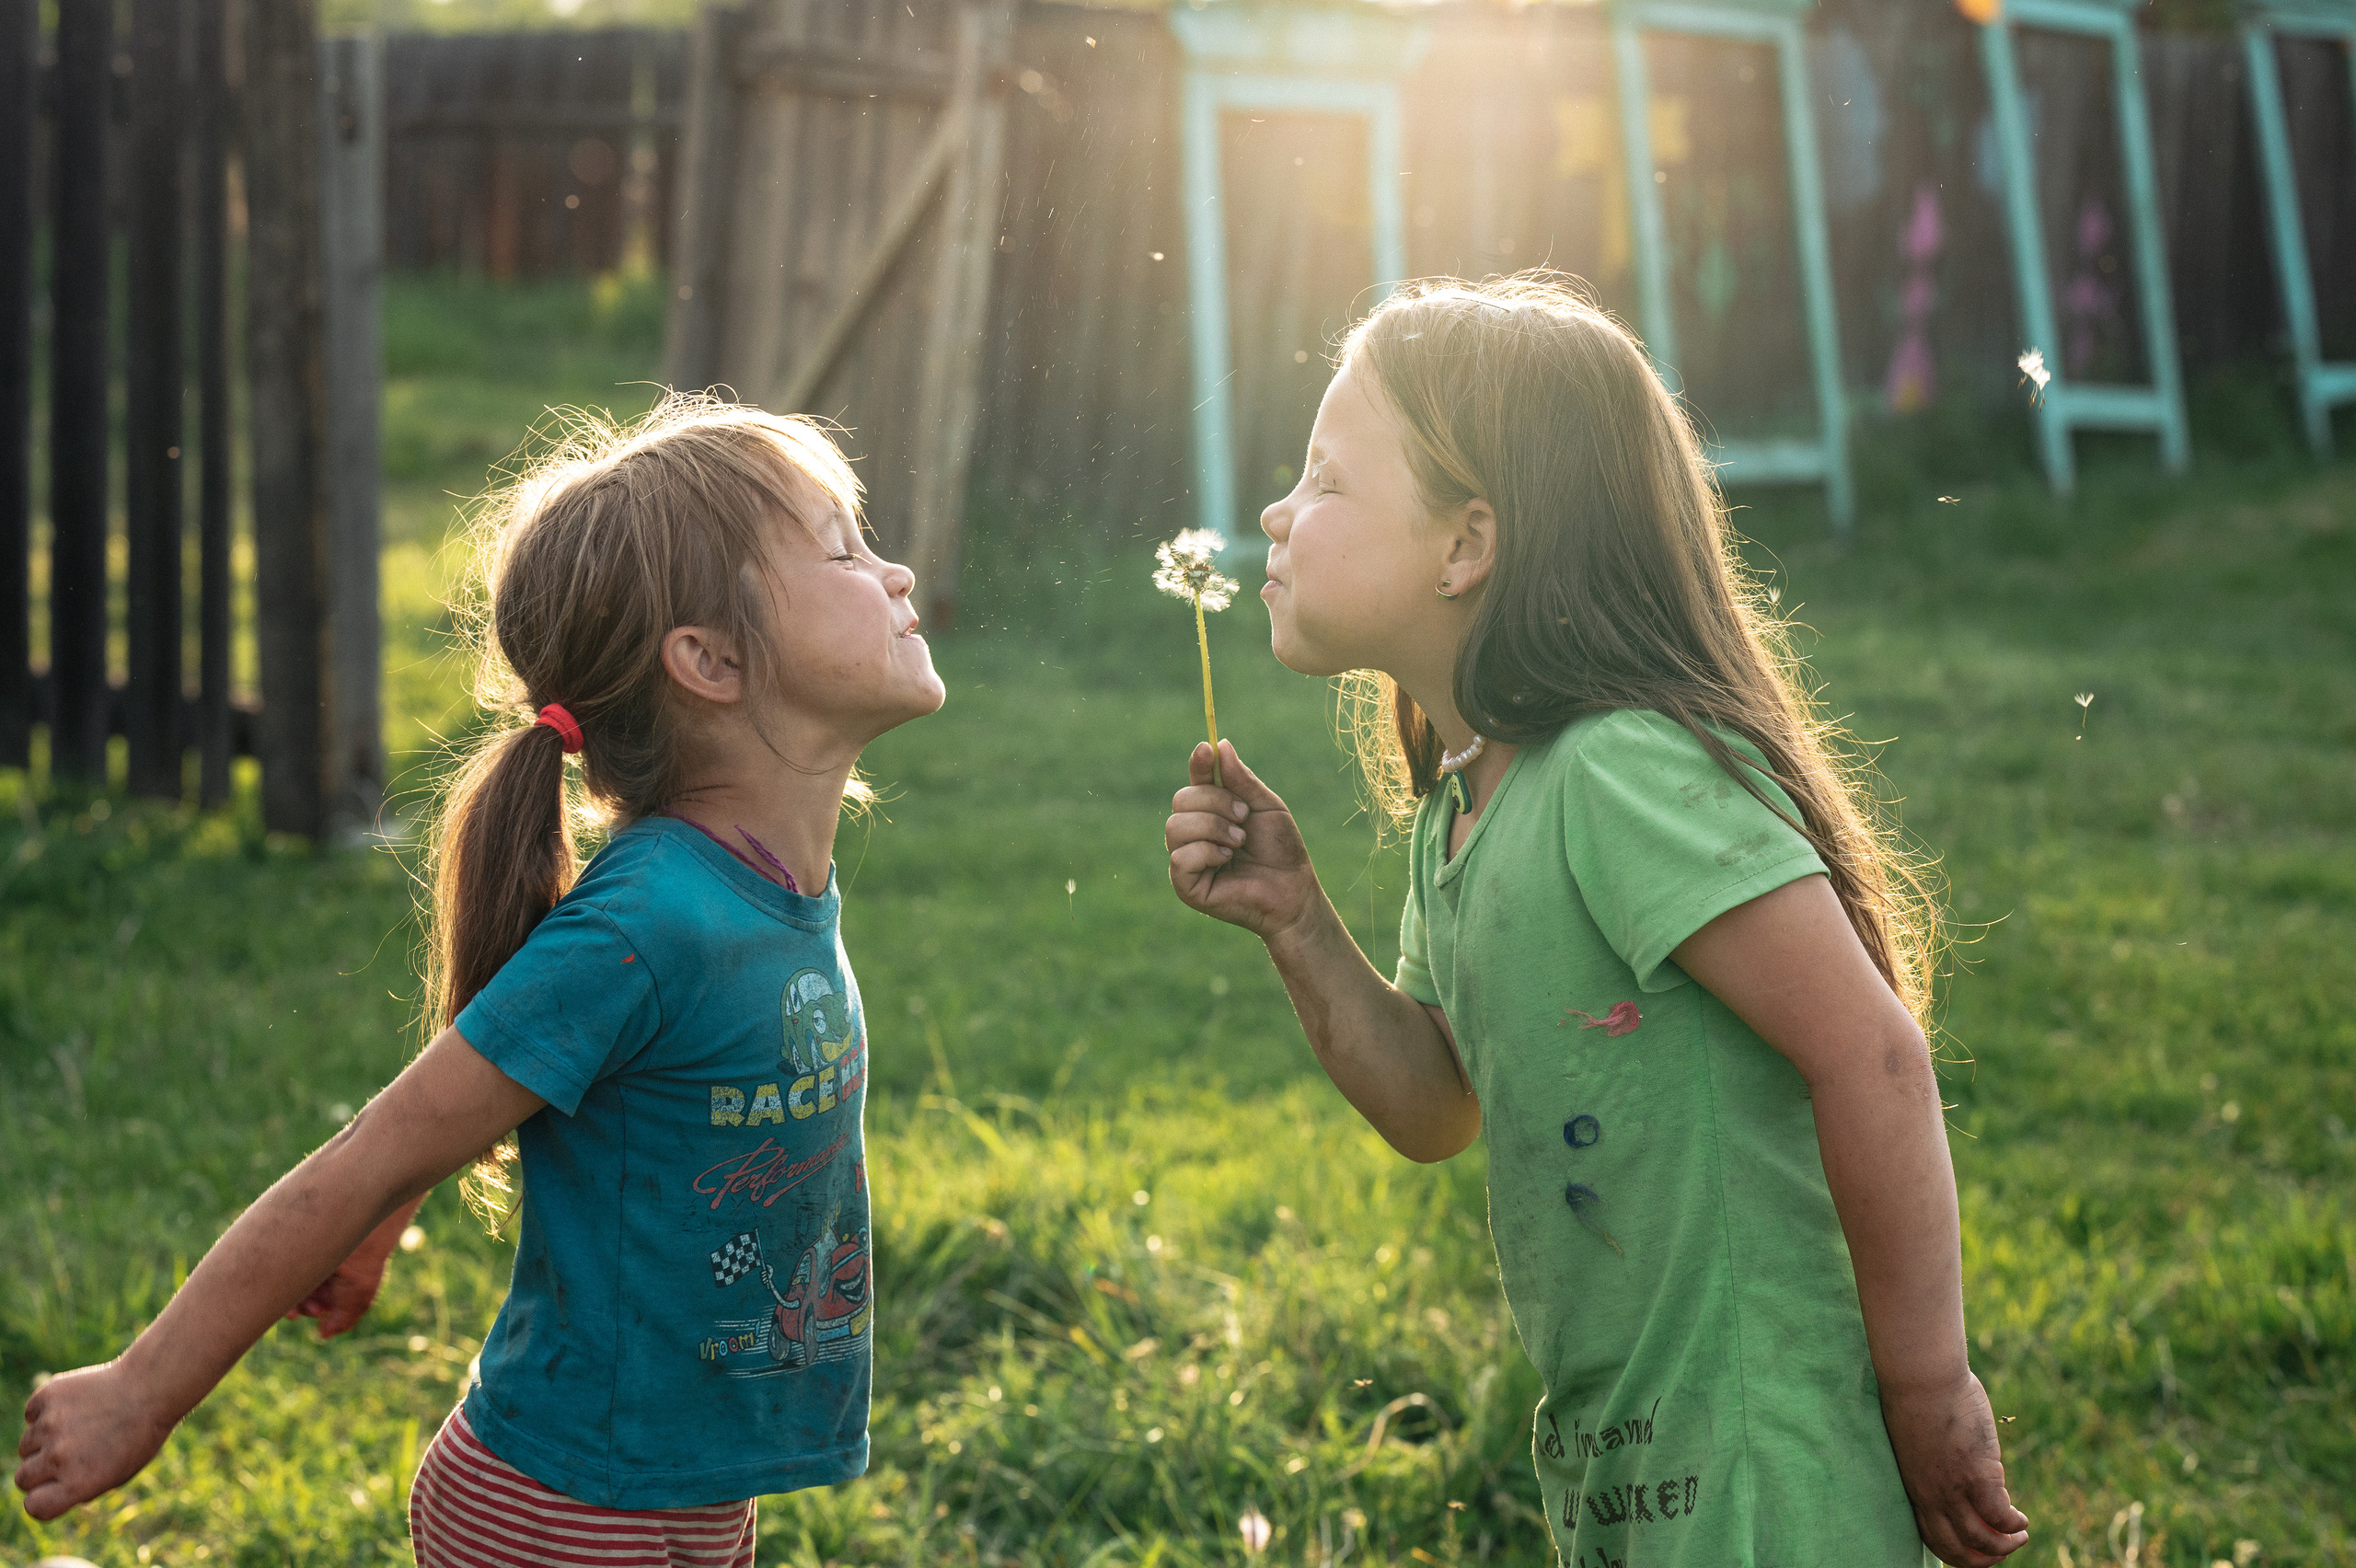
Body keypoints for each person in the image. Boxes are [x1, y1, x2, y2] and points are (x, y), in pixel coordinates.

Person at [1162, 275, 2030, 1568]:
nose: (1280, 515)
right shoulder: (1464, 807)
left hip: (1765, 1464)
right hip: (1629, 1473)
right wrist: (1297, 921)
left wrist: (1926, 1388)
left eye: (1327, 481)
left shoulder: (1618, 773)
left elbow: (1874, 1056)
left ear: (1468, 545)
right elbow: (1438, 1105)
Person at [14, 397, 945, 1565]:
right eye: (843, 549)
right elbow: (372, 1148)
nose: (898, 572)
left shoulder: (758, 888)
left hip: (689, 1484)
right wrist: (138, 1391)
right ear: (707, 660)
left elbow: (530, 1086)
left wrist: (389, 1219)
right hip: (563, 1503)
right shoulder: (651, 921)